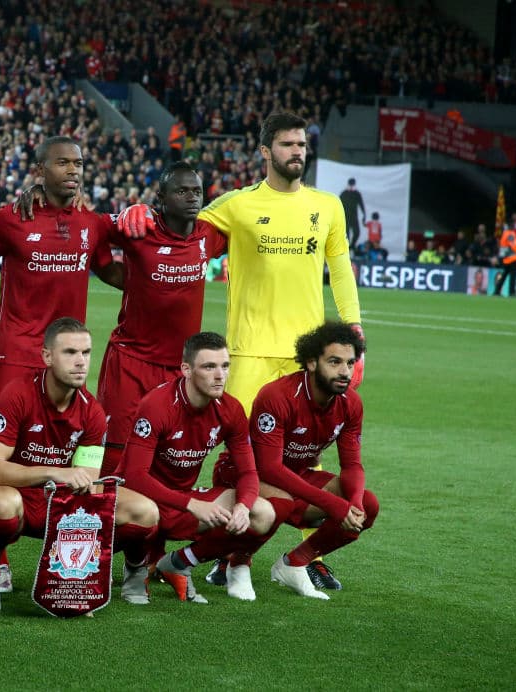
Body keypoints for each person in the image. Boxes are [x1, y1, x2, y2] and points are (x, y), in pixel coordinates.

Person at [118, 111, 363, 589]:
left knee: (301, 457)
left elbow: (342, 267)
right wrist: (140, 212)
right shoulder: (236, 205)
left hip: (307, 360)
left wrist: (354, 337)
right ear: (266, 151)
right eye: (289, 145)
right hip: (249, 354)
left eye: (303, 145)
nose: (299, 152)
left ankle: (270, 558)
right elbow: (179, 227)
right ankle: (231, 555)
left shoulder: (328, 205)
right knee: (243, 463)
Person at [0, 136, 121, 592]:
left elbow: (113, 268)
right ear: (40, 170)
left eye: (78, 162)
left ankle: (65, 549)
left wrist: (158, 282)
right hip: (16, 353)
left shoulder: (92, 224)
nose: (73, 170)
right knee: (5, 457)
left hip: (66, 354)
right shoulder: (11, 219)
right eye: (62, 163)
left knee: (69, 447)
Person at [0, 318, 160, 612]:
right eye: (70, 352)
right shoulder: (16, 394)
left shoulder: (92, 411)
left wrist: (80, 497)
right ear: (47, 356)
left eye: (86, 353)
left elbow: (88, 478)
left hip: (60, 502)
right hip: (20, 495)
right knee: (0, 503)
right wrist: (54, 472)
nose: (80, 362)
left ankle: (131, 573)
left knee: (145, 511)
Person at [118, 332, 281, 603]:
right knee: (142, 510)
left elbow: (248, 473)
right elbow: (134, 476)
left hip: (182, 500)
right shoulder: (157, 405)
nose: (220, 375)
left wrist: (243, 505)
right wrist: (191, 503)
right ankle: (135, 569)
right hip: (141, 502)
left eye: (225, 366)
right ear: (186, 369)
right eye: (209, 367)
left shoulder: (230, 410)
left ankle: (180, 562)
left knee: (261, 512)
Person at [231, 322, 379, 600]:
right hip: (247, 476)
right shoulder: (277, 396)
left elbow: (352, 466)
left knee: (368, 504)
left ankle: (294, 563)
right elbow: (269, 468)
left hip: (297, 477)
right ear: (311, 362)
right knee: (281, 503)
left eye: (350, 362)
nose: (345, 371)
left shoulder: (351, 403)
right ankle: (238, 562)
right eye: (334, 362)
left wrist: (355, 503)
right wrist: (332, 504)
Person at [96, 162, 226, 476]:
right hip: (131, 361)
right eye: (182, 191)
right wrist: (117, 272)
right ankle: (102, 514)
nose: (192, 198)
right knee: (115, 452)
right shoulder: (141, 229)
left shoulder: (208, 235)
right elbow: (89, 228)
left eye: (196, 191)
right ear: (161, 198)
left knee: (166, 455)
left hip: (178, 368)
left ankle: (157, 520)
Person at [494, 223, 516, 296]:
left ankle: (497, 290)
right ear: (512, 227)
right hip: (512, 258)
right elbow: (514, 244)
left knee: (504, 275)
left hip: (506, 258)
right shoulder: (510, 234)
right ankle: (511, 292)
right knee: (513, 276)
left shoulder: (505, 233)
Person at [339, 178, 366, 249]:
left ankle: (352, 245)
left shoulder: (357, 194)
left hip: (354, 217)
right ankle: (346, 248)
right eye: (350, 184)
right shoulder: (344, 193)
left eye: (352, 185)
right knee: (346, 234)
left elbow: (361, 204)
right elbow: (338, 204)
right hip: (345, 216)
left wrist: (364, 215)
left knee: (357, 233)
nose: (351, 186)